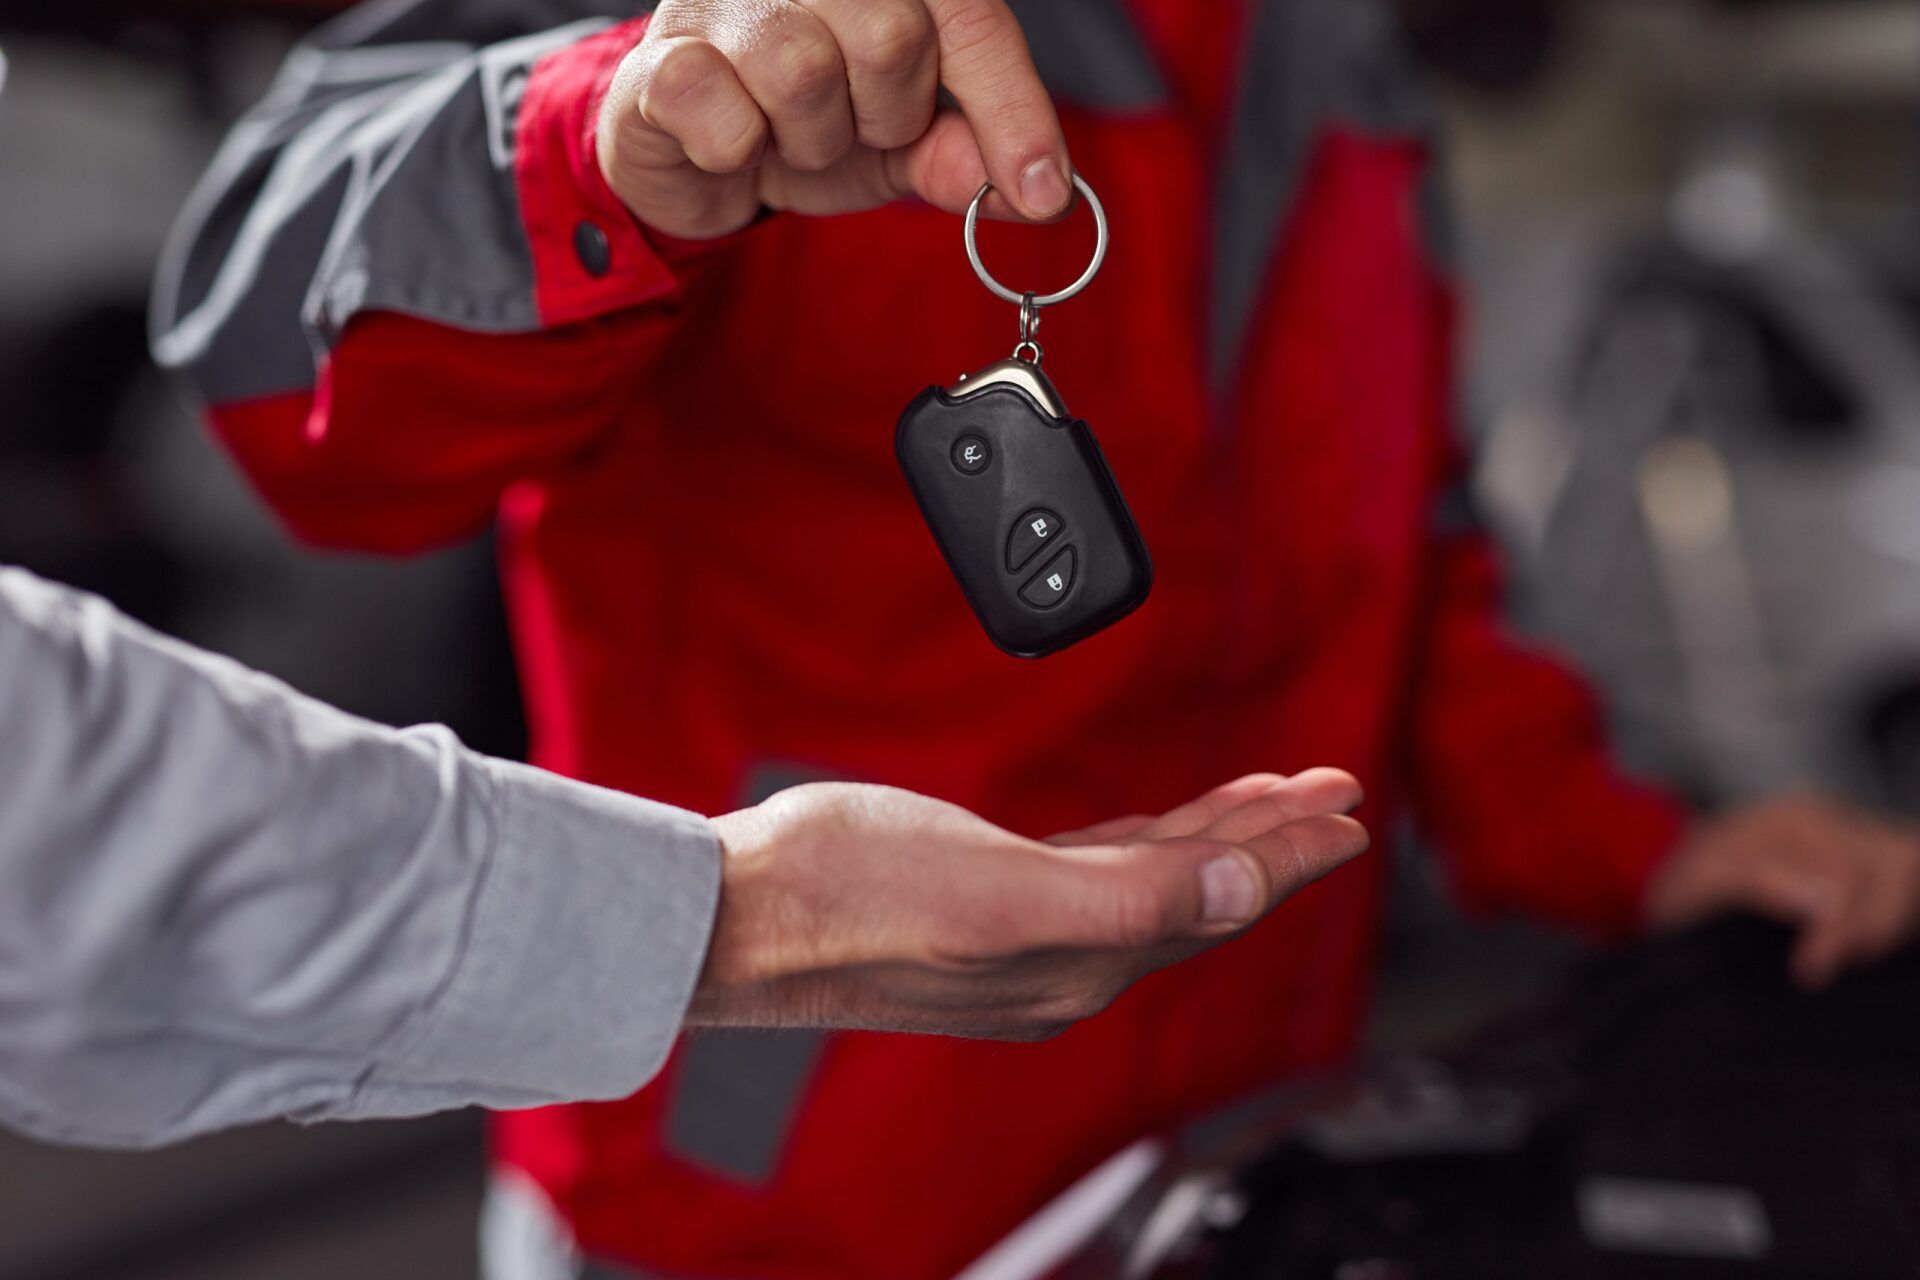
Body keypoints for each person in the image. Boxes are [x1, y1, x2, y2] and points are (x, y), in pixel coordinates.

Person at [152, 1, 1920, 1276]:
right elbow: (271, 393)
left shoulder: (1340, 65)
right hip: (755, 1199)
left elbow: (1407, 556)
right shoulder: (734, 24)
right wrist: (603, 132)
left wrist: (1644, 852)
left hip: (1230, 1174)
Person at [0, 563, 1366, 1148]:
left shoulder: (1342, 83)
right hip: (749, 1151)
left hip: (1262, 1073)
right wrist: (738, 916)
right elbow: (319, 430)